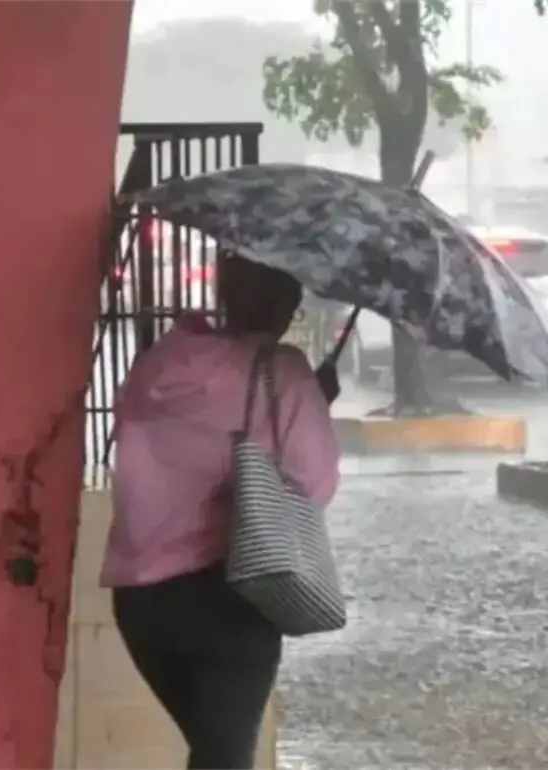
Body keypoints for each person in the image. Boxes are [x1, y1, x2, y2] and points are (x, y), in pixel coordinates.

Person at [101, 256, 342, 769]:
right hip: (231, 596)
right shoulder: (284, 372)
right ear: (283, 305)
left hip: (141, 601)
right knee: (225, 758)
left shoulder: (160, 362)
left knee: (213, 753)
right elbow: (312, 485)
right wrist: (315, 403)